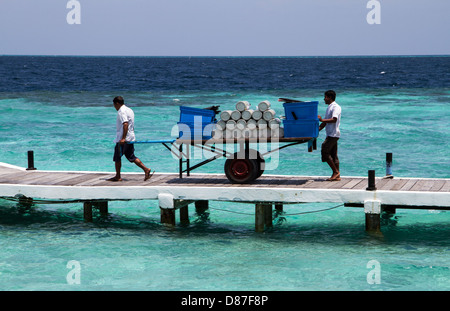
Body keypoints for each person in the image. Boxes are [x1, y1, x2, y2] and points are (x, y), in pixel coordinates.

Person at [108, 96, 153, 181]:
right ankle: (146, 169)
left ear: (117, 103)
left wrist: (123, 138)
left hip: (124, 138)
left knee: (117, 157)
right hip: (131, 137)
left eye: (114, 105)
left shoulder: (121, 111)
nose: (114, 107)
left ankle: (118, 176)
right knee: (131, 156)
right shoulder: (130, 110)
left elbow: (125, 124)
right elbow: (131, 124)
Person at [318, 90, 341, 181]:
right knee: (334, 155)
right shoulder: (329, 107)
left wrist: (322, 120)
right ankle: (337, 175)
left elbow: (334, 119)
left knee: (325, 150)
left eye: (325, 97)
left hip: (333, 134)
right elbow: (326, 122)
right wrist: (317, 129)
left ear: (329, 97)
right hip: (331, 134)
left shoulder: (336, 107)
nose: (324, 99)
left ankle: (335, 172)